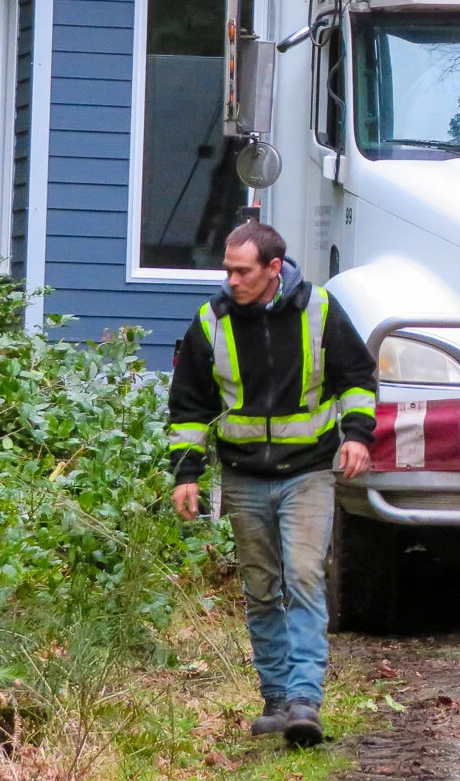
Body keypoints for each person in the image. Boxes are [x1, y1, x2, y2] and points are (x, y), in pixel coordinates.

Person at [167, 221, 377, 747]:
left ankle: (306, 700)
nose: (231, 280)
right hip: (243, 477)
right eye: (228, 270)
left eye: (242, 271)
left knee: (304, 578)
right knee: (261, 591)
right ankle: (277, 697)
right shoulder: (209, 323)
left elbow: (355, 377)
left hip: (309, 470)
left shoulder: (320, 311)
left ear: (273, 269)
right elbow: (191, 407)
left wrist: (357, 435)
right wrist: (187, 472)